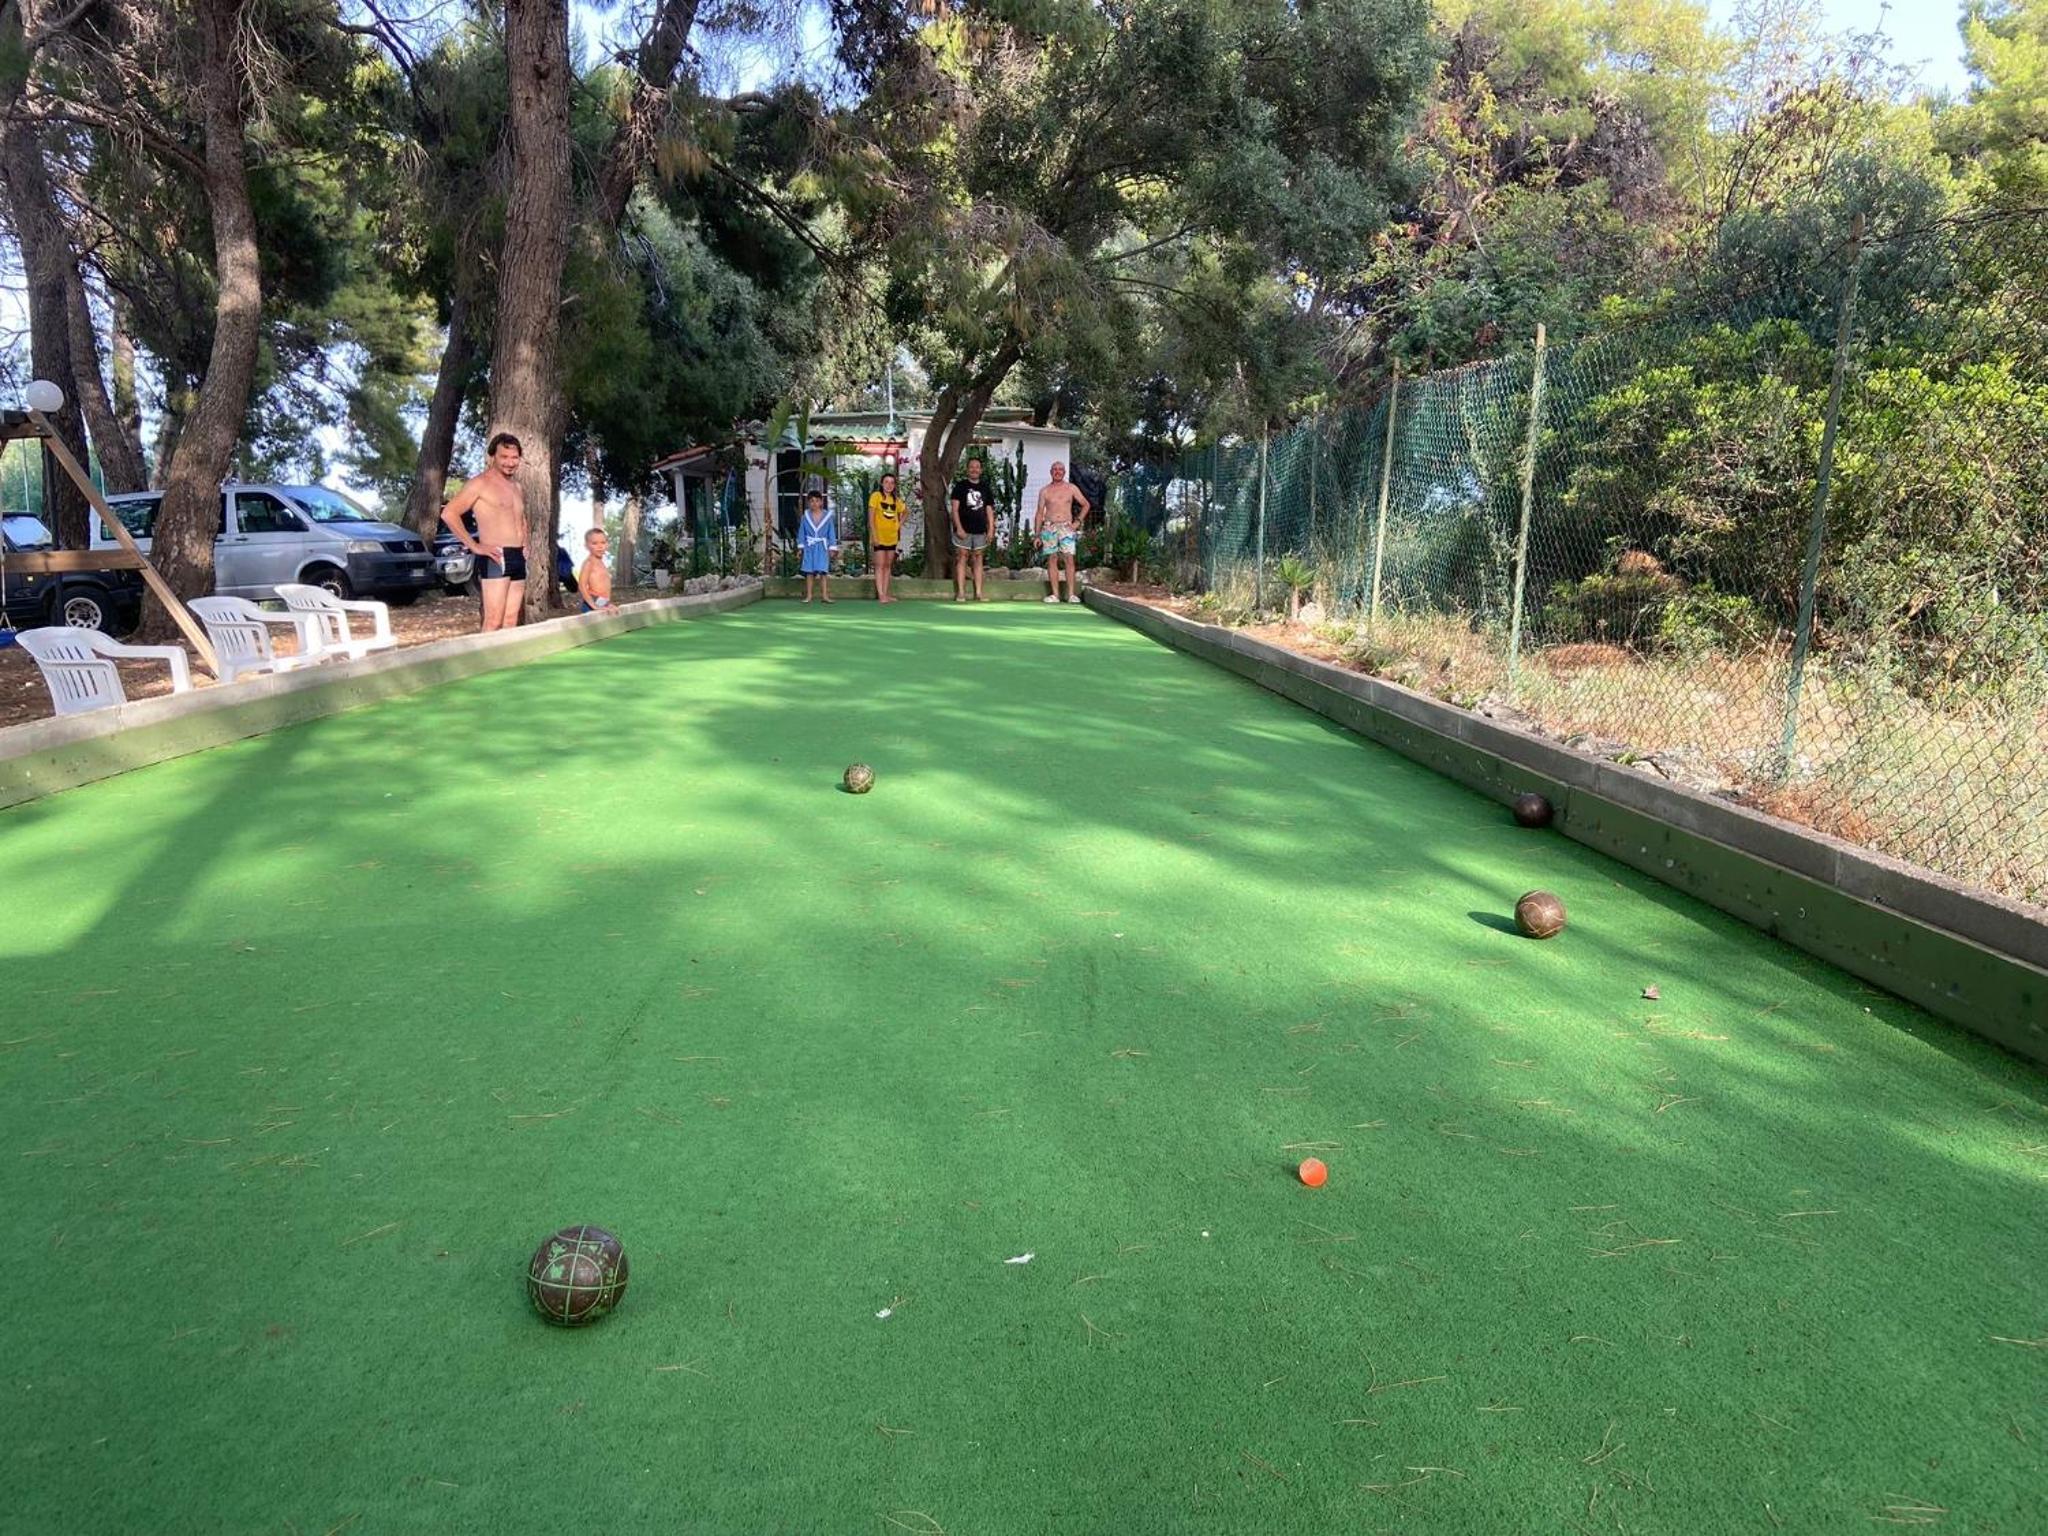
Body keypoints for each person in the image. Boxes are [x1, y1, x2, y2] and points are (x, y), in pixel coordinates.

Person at [441, 432, 529, 632]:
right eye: (504, 457)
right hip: (496, 556)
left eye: (514, 457)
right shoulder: (480, 483)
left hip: (517, 556)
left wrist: (526, 542)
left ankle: (507, 654)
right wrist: (475, 546)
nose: (510, 463)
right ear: (492, 457)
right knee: (493, 621)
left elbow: (521, 517)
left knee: (511, 620)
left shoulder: (517, 487)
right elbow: (449, 513)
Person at [1033, 460, 1091, 604]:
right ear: (1051, 472)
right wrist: (1037, 535)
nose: (1057, 472)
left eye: (1060, 469)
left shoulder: (1071, 488)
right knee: (1052, 559)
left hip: (1066, 527)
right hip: (1049, 527)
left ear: (1064, 472)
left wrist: (1077, 522)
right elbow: (1039, 513)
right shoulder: (1044, 491)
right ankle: (1055, 595)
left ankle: (1071, 595)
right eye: (1055, 469)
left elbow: (1086, 505)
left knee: (1069, 559)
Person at [950, 457, 995, 602]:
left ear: (981, 470)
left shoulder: (985, 487)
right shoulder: (960, 486)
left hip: (980, 530)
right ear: (967, 469)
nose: (974, 469)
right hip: (963, 529)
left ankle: (979, 593)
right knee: (962, 557)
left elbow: (989, 510)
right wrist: (959, 528)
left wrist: (991, 529)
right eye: (971, 467)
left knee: (978, 558)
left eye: (977, 467)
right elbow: (954, 509)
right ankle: (961, 593)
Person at [868, 469, 906, 603]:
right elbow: (871, 519)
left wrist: (898, 525)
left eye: (892, 483)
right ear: (882, 483)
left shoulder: (896, 500)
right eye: (886, 482)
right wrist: (874, 536)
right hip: (879, 536)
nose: (889, 485)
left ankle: (885, 593)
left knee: (887, 565)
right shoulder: (876, 496)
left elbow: (905, 512)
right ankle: (881, 594)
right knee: (879, 565)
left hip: (892, 537)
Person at [797, 489, 837, 603]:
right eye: (812, 501)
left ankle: (825, 596)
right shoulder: (805, 517)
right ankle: (809, 596)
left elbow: (831, 532)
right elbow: (802, 533)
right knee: (809, 572)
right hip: (809, 546)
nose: (814, 503)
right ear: (808, 503)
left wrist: (832, 547)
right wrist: (800, 548)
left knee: (823, 572)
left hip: (822, 547)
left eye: (817, 501)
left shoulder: (827, 517)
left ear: (821, 502)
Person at [577, 527, 614, 614]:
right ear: (586, 546)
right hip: (591, 603)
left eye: (603, 542)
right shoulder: (589, 563)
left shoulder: (602, 563)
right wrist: (594, 605)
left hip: (602, 602)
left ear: (607, 545)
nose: (600, 546)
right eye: (594, 543)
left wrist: (607, 604)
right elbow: (582, 586)